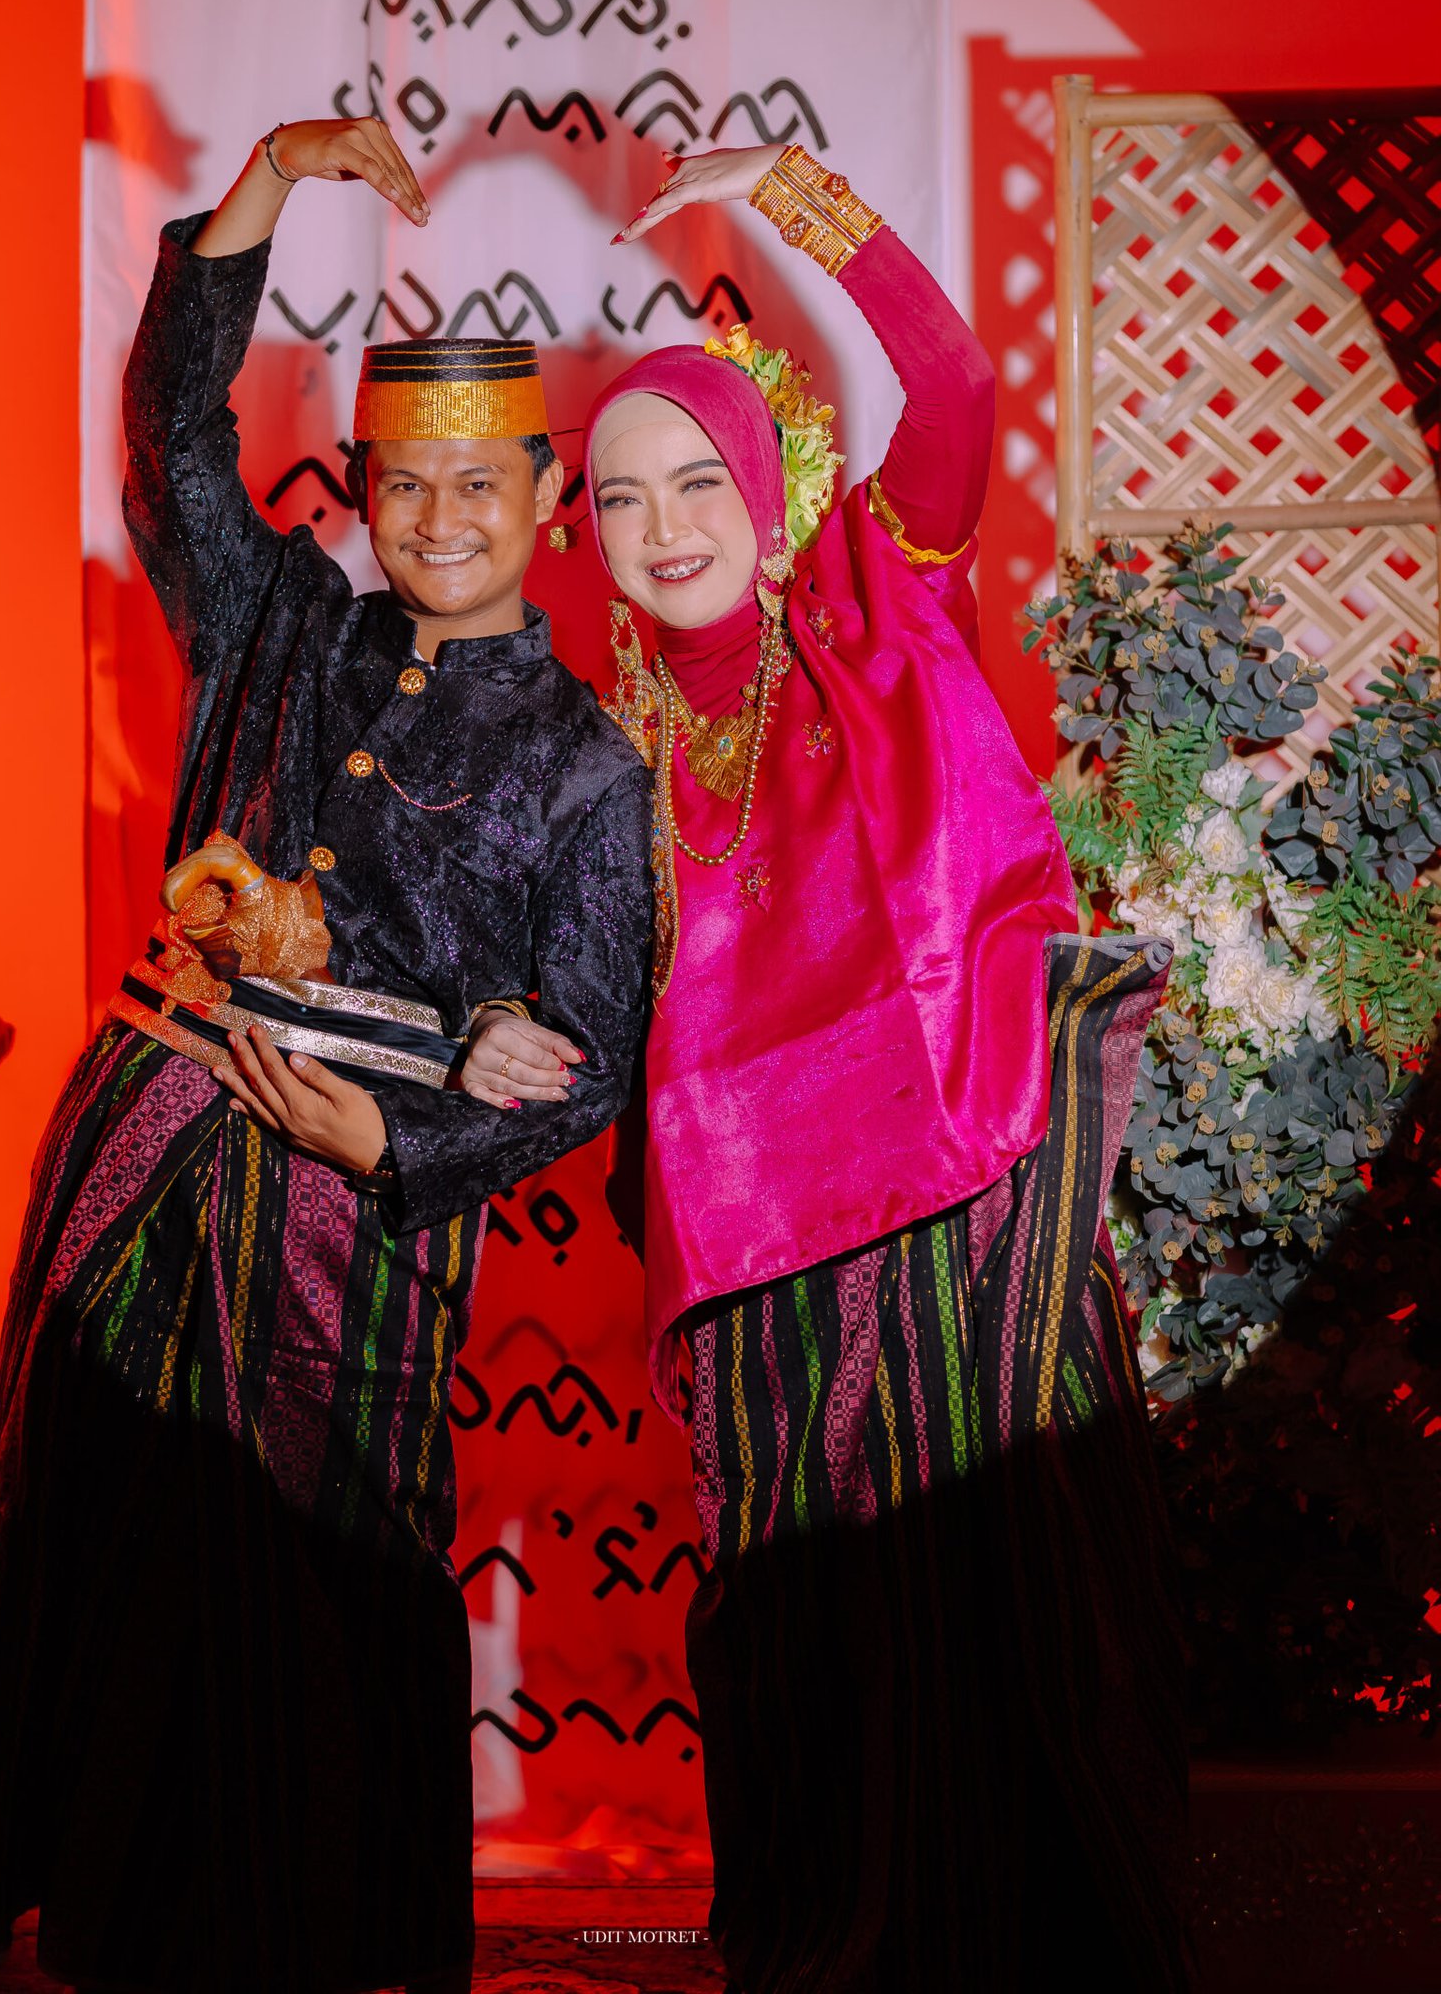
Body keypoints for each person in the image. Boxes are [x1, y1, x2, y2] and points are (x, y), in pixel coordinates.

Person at [0, 115, 654, 1994]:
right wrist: (254, 196)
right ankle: (86, 1928)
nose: (439, 517)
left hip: (348, 1201)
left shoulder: (588, 763)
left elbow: (592, 1054)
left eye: (478, 482)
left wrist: (397, 1151)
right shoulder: (279, 627)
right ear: (364, 488)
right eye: (404, 482)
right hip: (145, 1133)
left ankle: (322, 1942)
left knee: (321, 1567)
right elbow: (172, 442)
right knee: (95, 1524)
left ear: (550, 494)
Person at [472, 141, 1190, 1991]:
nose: (667, 526)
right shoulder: (604, 757)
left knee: (997, 1613)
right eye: (623, 498)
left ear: (769, 486)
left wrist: (797, 197)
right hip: (766, 1271)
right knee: (815, 1643)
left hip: (964, 1208)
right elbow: (577, 1012)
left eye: (701, 479)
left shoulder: (881, 596)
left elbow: (949, 386)